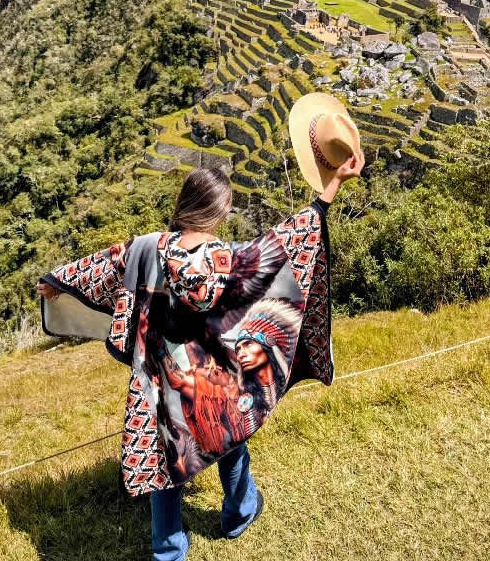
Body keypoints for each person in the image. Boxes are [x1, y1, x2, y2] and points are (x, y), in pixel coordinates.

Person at [37, 92, 363, 561]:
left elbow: (99, 266)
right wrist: (330, 187)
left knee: (163, 462)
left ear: (185, 204)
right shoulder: (230, 261)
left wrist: (56, 282)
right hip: (213, 381)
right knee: (229, 436)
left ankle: (168, 550)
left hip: (159, 380)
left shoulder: (147, 247)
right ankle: (238, 512)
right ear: (221, 212)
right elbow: (291, 241)